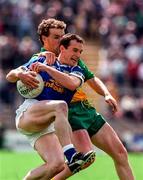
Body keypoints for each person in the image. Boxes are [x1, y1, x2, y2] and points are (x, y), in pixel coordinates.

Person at [35, 19, 134, 179]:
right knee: (85, 157)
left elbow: (92, 78)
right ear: (44, 38)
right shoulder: (40, 59)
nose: (60, 38)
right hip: (68, 111)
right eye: (56, 36)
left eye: (62, 35)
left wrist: (106, 94)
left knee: (121, 153)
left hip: (86, 108)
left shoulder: (73, 56)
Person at [6, 32, 95, 180]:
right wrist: (20, 74)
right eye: (74, 50)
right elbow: (10, 76)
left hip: (45, 125)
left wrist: (47, 69)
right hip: (29, 112)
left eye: (80, 51)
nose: (78, 55)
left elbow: (72, 84)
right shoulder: (42, 59)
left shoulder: (76, 71)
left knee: (57, 165)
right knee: (61, 106)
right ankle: (71, 154)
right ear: (62, 48)